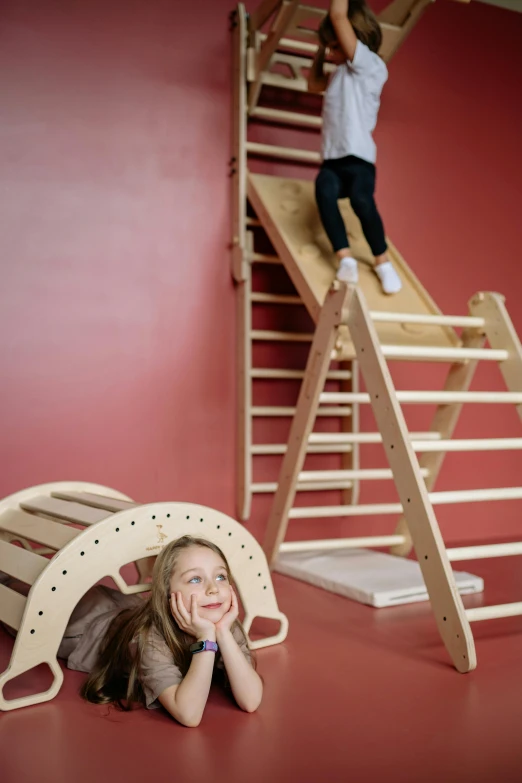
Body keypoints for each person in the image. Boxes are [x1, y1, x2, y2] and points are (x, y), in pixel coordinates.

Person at [2, 536, 262, 727]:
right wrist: (207, 639)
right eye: (195, 579)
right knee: (20, 598)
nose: (213, 589)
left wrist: (222, 634)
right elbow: (189, 714)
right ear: (167, 593)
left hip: (123, 610)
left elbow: (250, 701)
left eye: (220, 577)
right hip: (83, 627)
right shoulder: (150, 637)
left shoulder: (225, 624)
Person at [309, 0, 402, 295]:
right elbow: (313, 84)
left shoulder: (369, 66)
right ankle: (345, 258)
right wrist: (322, 50)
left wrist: (338, 20)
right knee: (324, 192)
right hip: (333, 160)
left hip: (359, 158)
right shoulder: (338, 75)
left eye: (337, 46)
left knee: (362, 201)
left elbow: (338, 15)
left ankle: (382, 261)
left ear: (355, 38)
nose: (334, 52)